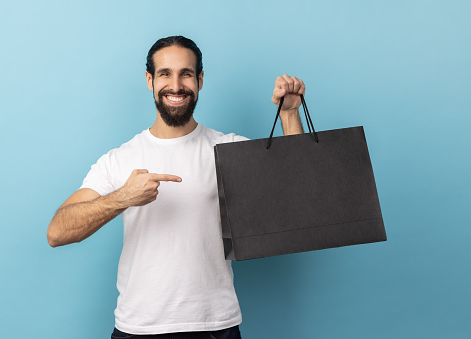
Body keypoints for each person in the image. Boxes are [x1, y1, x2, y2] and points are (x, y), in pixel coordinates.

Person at [47, 35, 306, 339]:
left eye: (186, 74)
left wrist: (289, 114)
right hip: (138, 328)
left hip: (215, 326)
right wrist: (122, 198)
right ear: (149, 80)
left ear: (200, 80)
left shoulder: (229, 149)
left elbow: (298, 190)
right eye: (165, 74)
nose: (176, 85)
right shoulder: (119, 159)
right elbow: (57, 232)